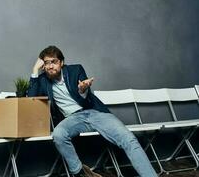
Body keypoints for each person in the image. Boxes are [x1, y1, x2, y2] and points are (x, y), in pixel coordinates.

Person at [28, 46, 157, 177]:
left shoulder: (75, 70)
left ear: (61, 62)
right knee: (58, 135)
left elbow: (84, 91)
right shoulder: (43, 80)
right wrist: (34, 70)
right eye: (46, 62)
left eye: (54, 61)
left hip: (94, 112)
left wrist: (82, 89)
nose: (50, 66)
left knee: (129, 140)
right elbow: (31, 100)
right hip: (72, 119)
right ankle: (81, 172)